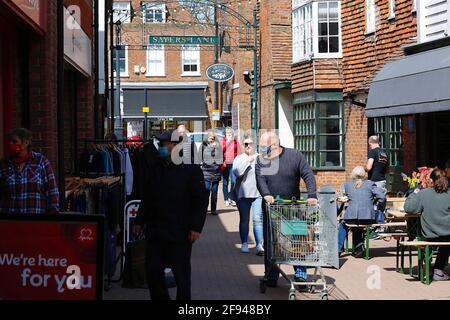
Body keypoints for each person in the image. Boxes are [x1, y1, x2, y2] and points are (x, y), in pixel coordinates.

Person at [134, 130, 208, 300]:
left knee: (181, 276)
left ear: (175, 146)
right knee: (153, 272)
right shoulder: (155, 168)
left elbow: (200, 201)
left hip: (180, 233)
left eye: (163, 144)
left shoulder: (191, 169)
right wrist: (139, 220)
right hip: (156, 232)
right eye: (160, 144)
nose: (160, 148)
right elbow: (147, 198)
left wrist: (196, 228)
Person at [255, 131, 317, 285]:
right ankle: (271, 275)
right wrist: (266, 194)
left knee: (298, 241)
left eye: (264, 147)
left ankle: (300, 274)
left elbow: (308, 174)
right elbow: (260, 179)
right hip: (272, 206)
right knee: (272, 242)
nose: (262, 150)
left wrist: (312, 194)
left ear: (274, 145)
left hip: (293, 206)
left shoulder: (295, 156)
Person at [404, 169, 450, 281]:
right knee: (446, 241)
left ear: (431, 180)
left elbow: (409, 208)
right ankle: (438, 269)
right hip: (447, 234)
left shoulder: (423, 193)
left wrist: (413, 194)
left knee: (426, 239)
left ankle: (430, 268)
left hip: (429, 234)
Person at [0, 128, 59, 214]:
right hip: (11, 221)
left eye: (14, 141)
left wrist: (52, 216)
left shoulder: (40, 162)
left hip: (36, 221)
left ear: (26, 143)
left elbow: (52, 191)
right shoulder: (3, 165)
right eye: (9, 141)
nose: (11, 144)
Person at [337, 166, 386, 258]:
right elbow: (382, 197)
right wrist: (374, 203)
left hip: (351, 217)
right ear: (364, 174)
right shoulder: (371, 184)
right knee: (358, 226)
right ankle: (359, 248)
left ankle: (338, 249)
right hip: (367, 217)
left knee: (343, 225)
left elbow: (346, 198)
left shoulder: (347, 185)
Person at [232, 134, 264, 255]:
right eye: (246, 144)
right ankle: (244, 242)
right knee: (244, 220)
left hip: (257, 194)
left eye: (250, 143)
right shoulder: (239, 158)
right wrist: (247, 160)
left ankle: (259, 244)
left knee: (257, 219)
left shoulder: (260, 157)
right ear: (242, 145)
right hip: (243, 194)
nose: (248, 146)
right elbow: (237, 173)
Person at [365, 135, 389, 233]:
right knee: (380, 204)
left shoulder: (372, 152)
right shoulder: (384, 153)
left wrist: (364, 168)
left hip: (374, 181)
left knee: (372, 204)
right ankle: (381, 227)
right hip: (382, 181)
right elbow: (387, 170)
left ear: (370, 143)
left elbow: (369, 167)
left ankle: (375, 228)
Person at [200, 130, 223, 216]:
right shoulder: (203, 146)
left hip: (215, 172)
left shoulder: (218, 146)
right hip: (206, 171)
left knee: (214, 192)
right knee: (206, 192)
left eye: (213, 138)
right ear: (207, 138)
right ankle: (204, 209)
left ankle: (213, 209)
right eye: (210, 138)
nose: (211, 140)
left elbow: (221, 158)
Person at [221, 127, 241, 207]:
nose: (229, 134)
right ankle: (226, 199)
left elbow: (239, 152)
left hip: (233, 163)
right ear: (225, 134)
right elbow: (220, 151)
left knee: (233, 181)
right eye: (228, 133)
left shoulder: (236, 142)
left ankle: (232, 198)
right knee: (225, 182)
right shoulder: (223, 141)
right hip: (225, 164)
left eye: (230, 133)